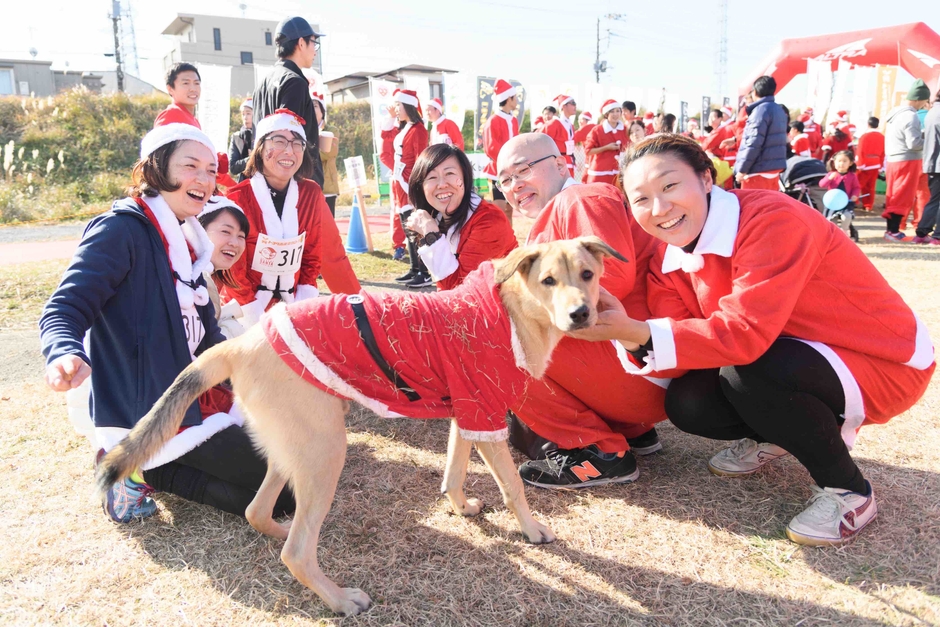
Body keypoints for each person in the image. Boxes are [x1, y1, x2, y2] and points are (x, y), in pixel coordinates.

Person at [571, 133, 933, 546]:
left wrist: (637, 330)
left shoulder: (772, 219)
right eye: (641, 199)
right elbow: (682, 350)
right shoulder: (665, 257)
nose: (660, 208)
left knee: (749, 372)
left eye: (670, 186)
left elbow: (746, 333)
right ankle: (774, 434)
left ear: (707, 178)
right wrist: (630, 335)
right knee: (689, 403)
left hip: (879, 359)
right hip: (791, 355)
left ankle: (849, 491)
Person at [40, 124, 294, 523]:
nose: (204, 179)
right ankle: (138, 468)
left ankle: (154, 465)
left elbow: (207, 334)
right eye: (190, 166)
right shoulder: (120, 228)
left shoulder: (190, 239)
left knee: (291, 469)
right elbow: (64, 306)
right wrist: (63, 351)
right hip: (151, 409)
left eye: (211, 170)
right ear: (156, 168)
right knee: (286, 495)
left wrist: (252, 376)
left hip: (196, 391)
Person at [495, 133, 671, 489]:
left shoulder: (579, 197)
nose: (515, 185)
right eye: (504, 179)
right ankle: (631, 430)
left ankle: (599, 450)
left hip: (642, 366)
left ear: (561, 164)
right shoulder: (567, 205)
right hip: (643, 368)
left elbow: (612, 284)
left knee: (495, 339)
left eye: (523, 170)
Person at [223, 109, 360, 326]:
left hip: (292, 306)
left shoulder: (311, 194)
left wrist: (302, 303)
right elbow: (230, 268)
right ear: (260, 147)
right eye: (279, 141)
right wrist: (253, 312)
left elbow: (312, 257)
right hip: (243, 310)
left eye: (297, 144)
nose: (289, 151)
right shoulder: (237, 198)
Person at [404, 144, 517, 290]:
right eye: (431, 177)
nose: (442, 184)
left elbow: (461, 293)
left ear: (465, 177)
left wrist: (432, 236)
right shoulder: (437, 217)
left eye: (450, 173)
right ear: (421, 187)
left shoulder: (489, 221)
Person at [253, 16, 325, 187]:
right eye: (313, 43)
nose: (315, 50)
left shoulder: (264, 82)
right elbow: (289, 140)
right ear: (301, 43)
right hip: (294, 185)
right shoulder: (295, 82)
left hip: (267, 180)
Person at [389, 89, 432, 287]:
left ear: (408, 106)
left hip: (409, 184)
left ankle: (424, 272)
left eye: (399, 105)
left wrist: (414, 186)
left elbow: (420, 160)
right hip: (400, 182)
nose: (396, 109)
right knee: (408, 228)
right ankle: (415, 269)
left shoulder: (418, 130)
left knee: (415, 228)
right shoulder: (405, 128)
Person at [883, 79, 929, 241]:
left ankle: (891, 230)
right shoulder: (911, 116)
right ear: (919, 99)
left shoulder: (895, 113)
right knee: (903, 195)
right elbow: (914, 144)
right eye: (924, 100)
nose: (925, 104)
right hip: (907, 160)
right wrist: (929, 141)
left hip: (893, 159)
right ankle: (894, 231)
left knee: (893, 194)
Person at [197, 197, 250, 338]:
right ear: (199, 230)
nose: (235, 243)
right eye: (226, 232)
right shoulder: (196, 280)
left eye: (241, 236)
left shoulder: (207, 277)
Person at [734, 76, 788, 190]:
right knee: (770, 206)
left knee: (753, 206)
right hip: (773, 170)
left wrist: (742, 169)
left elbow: (753, 143)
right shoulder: (779, 110)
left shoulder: (759, 111)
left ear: (755, 91)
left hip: (757, 171)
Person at [482, 79, 521, 219]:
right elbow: (490, 148)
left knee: (510, 210)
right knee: (499, 210)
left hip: (512, 171)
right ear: (509, 98)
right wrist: (508, 160)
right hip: (497, 172)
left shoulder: (513, 120)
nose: (517, 100)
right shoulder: (493, 120)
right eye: (515, 97)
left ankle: (510, 240)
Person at [914, 91, 940, 244]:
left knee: (934, 199)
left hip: (931, 162)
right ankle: (937, 235)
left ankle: (922, 232)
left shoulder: (932, 112)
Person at [583, 99, 628, 185]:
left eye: (618, 111)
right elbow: (588, 151)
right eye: (612, 112)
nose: (615, 114)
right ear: (606, 114)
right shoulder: (597, 130)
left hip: (618, 173)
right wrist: (606, 148)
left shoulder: (625, 130)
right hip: (600, 173)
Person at [312, 91, 339, 217]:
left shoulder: (331, 131)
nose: (312, 109)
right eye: (309, 106)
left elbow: (328, 153)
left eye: (315, 106)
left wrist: (308, 151)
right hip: (309, 184)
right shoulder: (303, 131)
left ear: (322, 111)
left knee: (328, 223)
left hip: (327, 185)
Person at [154, 63, 201, 128]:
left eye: (196, 83)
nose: (193, 89)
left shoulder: (194, 120)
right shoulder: (170, 115)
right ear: (170, 89)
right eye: (186, 83)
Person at [541, 94, 577, 174]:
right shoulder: (554, 123)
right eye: (573, 103)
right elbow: (540, 140)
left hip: (569, 161)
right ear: (564, 106)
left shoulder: (570, 125)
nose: (575, 106)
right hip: (558, 165)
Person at [855, 117, 885, 211]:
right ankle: (868, 205)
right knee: (871, 186)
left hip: (865, 164)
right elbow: (883, 152)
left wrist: (859, 164)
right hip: (876, 164)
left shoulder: (864, 136)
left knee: (858, 185)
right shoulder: (882, 137)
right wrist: (881, 165)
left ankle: (854, 201)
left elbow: (860, 151)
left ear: (868, 124)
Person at [229, 98, 254, 182]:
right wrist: (250, 159)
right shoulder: (237, 137)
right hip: (243, 182)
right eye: (243, 114)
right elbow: (233, 168)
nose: (245, 117)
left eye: (248, 113)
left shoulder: (263, 135)